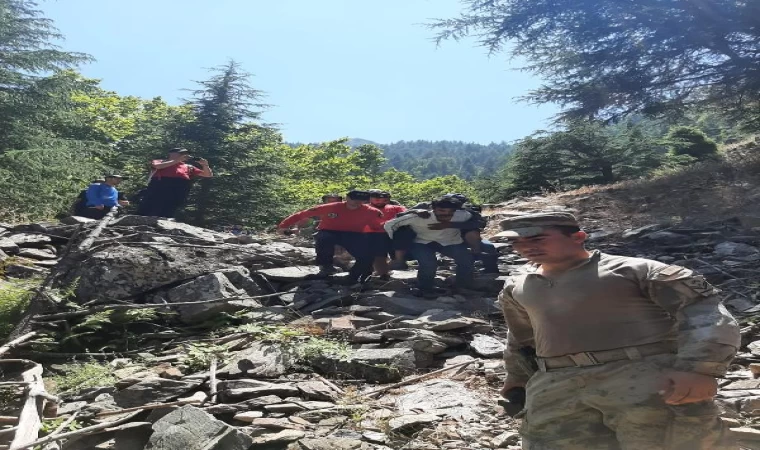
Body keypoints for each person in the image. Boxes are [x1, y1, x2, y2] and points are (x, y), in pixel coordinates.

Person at [496, 212, 740, 450]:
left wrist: (699, 369)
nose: (525, 247)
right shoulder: (517, 285)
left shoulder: (636, 270)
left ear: (578, 237)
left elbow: (704, 312)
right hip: (556, 385)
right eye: (517, 242)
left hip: (644, 379)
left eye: (537, 239)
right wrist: (517, 376)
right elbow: (521, 337)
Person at [277, 190, 384, 283]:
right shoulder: (330, 207)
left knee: (367, 255)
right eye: (354, 199)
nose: (357, 202)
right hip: (329, 231)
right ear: (347, 198)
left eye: (361, 200)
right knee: (324, 238)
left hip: (354, 234)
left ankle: (354, 277)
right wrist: (283, 226)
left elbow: (376, 227)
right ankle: (326, 267)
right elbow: (303, 214)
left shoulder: (372, 212)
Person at [384, 197, 474, 297]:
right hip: (422, 242)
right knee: (428, 262)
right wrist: (397, 240)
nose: (446, 214)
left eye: (450, 211)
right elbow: (390, 225)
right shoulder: (419, 217)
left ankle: (463, 286)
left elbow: (476, 223)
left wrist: (450, 224)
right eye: (441, 210)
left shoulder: (463, 215)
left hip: (450, 242)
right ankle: (425, 288)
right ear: (433, 209)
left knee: (466, 259)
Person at [389, 193, 499, 273]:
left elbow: (480, 223)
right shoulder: (425, 206)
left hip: (457, 237)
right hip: (425, 237)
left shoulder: (466, 210)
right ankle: (399, 261)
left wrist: (452, 225)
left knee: (488, 247)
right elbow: (400, 218)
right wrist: (414, 211)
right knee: (403, 234)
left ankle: (490, 271)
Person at [137, 148, 213, 218]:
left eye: (185, 153)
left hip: (180, 187)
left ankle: (165, 222)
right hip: (160, 185)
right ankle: (142, 219)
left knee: (171, 205)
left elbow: (207, 175)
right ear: (171, 153)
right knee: (152, 203)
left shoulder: (188, 166)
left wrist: (205, 165)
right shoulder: (161, 161)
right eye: (181, 153)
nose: (184, 155)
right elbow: (158, 166)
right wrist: (177, 160)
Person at [367, 190, 406, 278]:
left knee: (405, 232)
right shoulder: (363, 208)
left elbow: (407, 214)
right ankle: (381, 271)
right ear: (370, 199)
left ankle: (397, 261)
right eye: (377, 200)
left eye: (384, 200)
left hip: (392, 233)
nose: (380, 202)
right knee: (379, 247)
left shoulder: (395, 208)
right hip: (372, 234)